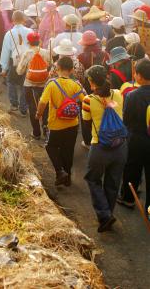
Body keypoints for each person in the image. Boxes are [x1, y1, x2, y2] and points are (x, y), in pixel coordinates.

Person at [82, 65, 127, 232]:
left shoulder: (88, 100)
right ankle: (108, 213)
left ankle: (105, 215)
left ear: (91, 82)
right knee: (113, 182)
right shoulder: (118, 94)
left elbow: (86, 123)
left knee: (93, 179)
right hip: (121, 146)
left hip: (100, 147)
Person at [36, 56, 85, 186]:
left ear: (57, 68)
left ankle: (59, 171)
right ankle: (67, 177)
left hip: (55, 124)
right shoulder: (76, 84)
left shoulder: (52, 84)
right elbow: (85, 101)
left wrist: (38, 114)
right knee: (68, 150)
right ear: (72, 70)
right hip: (73, 124)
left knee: (50, 146)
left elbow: (42, 102)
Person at [118, 59, 150, 216]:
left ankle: (128, 198)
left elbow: (126, 120)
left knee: (132, 169)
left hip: (136, 138)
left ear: (139, 76)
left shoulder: (132, 96)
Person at [16, 32, 51, 139]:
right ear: (39, 41)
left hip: (29, 85)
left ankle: (36, 133)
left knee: (32, 107)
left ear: (28, 42)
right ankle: (46, 129)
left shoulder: (26, 53)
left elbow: (19, 71)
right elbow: (50, 66)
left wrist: (19, 62)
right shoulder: (46, 52)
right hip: (44, 84)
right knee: (45, 106)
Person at [0, 11, 31, 116]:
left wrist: (4, 68)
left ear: (12, 20)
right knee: (24, 84)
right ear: (23, 20)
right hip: (27, 62)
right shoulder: (30, 31)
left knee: (11, 82)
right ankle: (24, 108)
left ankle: (14, 104)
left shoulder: (9, 34)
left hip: (15, 62)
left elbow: (5, 51)